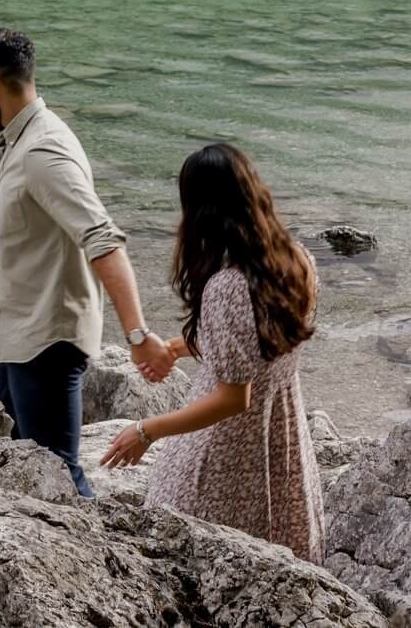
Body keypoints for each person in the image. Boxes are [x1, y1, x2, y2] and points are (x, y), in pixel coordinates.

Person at [0, 27, 175, 497]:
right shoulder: (23, 139)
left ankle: (99, 564)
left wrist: (137, 334)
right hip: (17, 337)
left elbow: (104, 239)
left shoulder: (43, 150)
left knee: (58, 475)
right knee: (11, 464)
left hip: (47, 342)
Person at [99, 142, 323, 563]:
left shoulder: (227, 286)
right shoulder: (298, 261)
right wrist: (176, 348)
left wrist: (146, 430)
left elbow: (234, 398)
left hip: (223, 459)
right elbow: (259, 348)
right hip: (281, 447)